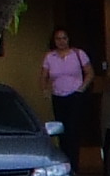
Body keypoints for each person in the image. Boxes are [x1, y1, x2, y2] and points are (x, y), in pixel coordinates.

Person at [41, 28, 96, 162]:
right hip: (58, 96)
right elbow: (43, 76)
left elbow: (90, 73)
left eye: (64, 38)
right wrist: (45, 90)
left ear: (69, 39)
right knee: (61, 131)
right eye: (58, 39)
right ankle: (64, 161)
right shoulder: (50, 57)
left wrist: (81, 89)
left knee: (73, 130)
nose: (61, 41)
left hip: (75, 96)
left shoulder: (78, 54)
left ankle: (74, 164)